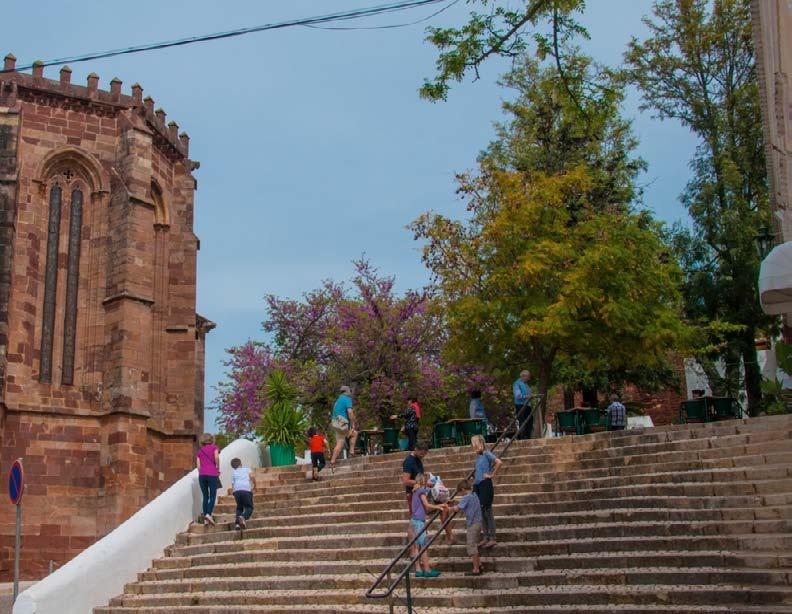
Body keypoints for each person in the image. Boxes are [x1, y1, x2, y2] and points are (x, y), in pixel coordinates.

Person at [409, 473, 446, 578]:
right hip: (419, 522)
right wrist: (439, 507)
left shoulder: (415, 491)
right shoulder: (421, 491)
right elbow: (427, 505)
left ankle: (418, 569)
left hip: (414, 520)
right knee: (423, 546)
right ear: (424, 481)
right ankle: (427, 569)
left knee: (416, 547)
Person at [471, 435, 501, 548]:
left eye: (473, 443)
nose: (472, 446)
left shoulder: (486, 453)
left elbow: (498, 462)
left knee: (488, 511)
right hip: (478, 485)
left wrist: (492, 474)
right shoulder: (478, 456)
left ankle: (492, 537)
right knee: (481, 512)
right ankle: (486, 537)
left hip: (485, 485)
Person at [447, 479, 483, 575]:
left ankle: (476, 569)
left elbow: (456, 509)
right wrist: (456, 500)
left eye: (460, 492)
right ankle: (479, 565)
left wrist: (446, 509)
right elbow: (466, 501)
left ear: (463, 489)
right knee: (474, 544)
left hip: (472, 524)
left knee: (471, 545)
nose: (460, 494)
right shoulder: (474, 495)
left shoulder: (466, 498)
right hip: (478, 523)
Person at [330, 385, 358, 470]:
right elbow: (350, 412)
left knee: (340, 442)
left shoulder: (337, 401)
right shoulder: (347, 399)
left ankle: (332, 461)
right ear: (347, 392)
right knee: (355, 433)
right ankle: (352, 452)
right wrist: (353, 424)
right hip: (342, 422)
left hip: (335, 422)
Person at [196, 433, 221, 526]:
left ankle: (206, 519)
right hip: (212, 474)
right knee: (213, 495)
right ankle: (208, 514)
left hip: (202, 475)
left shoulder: (200, 451)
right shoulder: (214, 448)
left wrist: (203, 472)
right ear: (211, 440)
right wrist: (217, 467)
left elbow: (198, 466)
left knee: (205, 496)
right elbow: (217, 457)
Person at [230, 457, 256, 529]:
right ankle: (243, 517)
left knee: (239, 508)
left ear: (233, 467)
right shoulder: (247, 469)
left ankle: (237, 524)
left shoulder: (234, 473)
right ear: (241, 464)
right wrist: (255, 486)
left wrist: (234, 493)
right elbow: (252, 477)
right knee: (249, 507)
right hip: (246, 490)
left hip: (237, 492)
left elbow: (232, 485)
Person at [513, 370, 533, 439]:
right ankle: (523, 438)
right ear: (523, 376)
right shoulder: (517, 384)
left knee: (529, 422)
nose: (529, 378)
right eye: (528, 377)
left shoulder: (526, 384)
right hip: (521, 405)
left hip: (528, 406)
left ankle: (528, 437)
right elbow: (518, 395)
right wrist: (527, 396)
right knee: (523, 422)